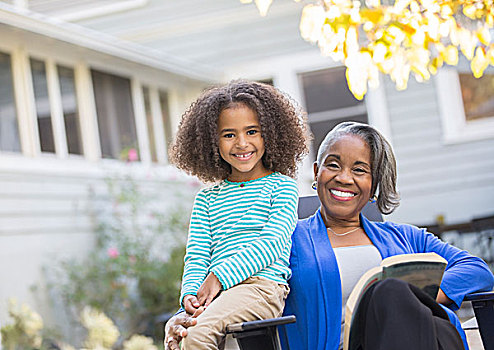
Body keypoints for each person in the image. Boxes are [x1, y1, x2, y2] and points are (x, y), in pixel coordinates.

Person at [165, 121, 494, 350]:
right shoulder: (285, 239)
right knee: (390, 291)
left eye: (360, 170)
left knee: (395, 294)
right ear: (317, 172)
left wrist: (418, 299)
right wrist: (185, 315)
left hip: (427, 341)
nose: (344, 178)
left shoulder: (406, 238)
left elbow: (477, 270)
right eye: (333, 165)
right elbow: (241, 283)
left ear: (374, 183)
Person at [167, 80, 309, 350]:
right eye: (229, 135)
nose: (242, 143)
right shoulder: (207, 198)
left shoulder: (282, 187)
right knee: (179, 336)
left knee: (196, 336)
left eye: (252, 131)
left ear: (270, 133)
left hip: (261, 288)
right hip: (218, 293)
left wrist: (219, 277)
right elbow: (198, 254)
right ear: (212, 141)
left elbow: (272, 243)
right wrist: (190, 298)